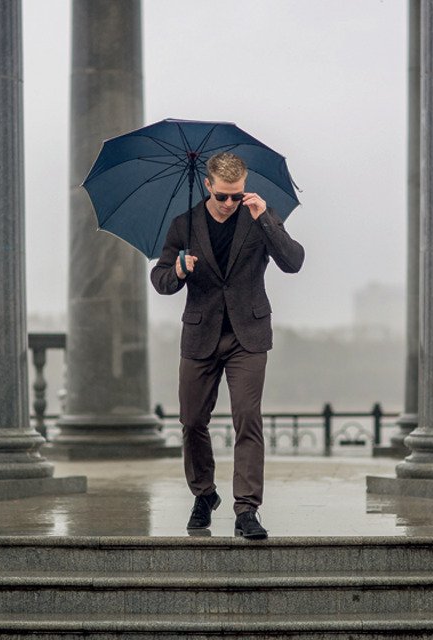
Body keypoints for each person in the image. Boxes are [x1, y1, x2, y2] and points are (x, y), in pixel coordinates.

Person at [150, 151, 304, 539]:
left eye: (237, 195)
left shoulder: (259, 220)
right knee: (191, 422)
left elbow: (293, 262)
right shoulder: (183, 224)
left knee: (247, 419)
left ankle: (246, 509)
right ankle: (204, 495)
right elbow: (160, 278)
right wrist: (179, 271)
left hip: (247, 336)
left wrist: (266, 218)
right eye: (223, 196)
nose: (230, 203)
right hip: (200, 334)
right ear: (208, 186)